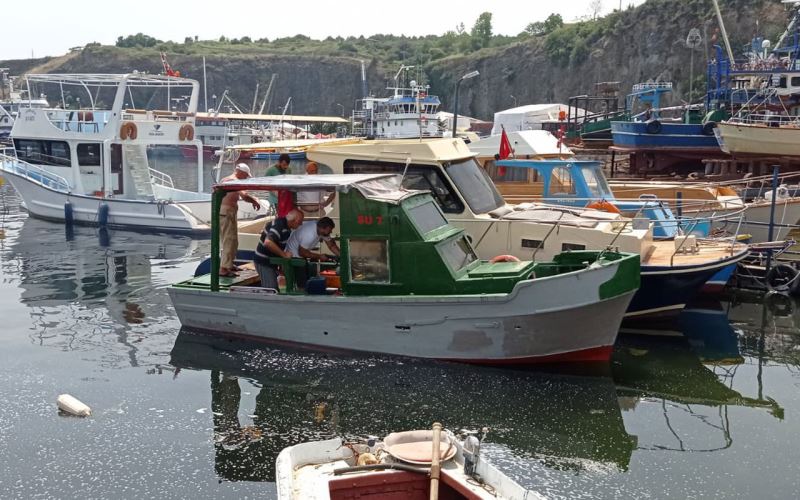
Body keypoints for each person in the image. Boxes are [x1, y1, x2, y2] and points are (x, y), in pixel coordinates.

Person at [219, 163, 261, 277]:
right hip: (226, 212)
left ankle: (229, 264)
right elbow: (244, 195)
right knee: (229, 239)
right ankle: (223, 268)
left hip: (229, 212)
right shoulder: (233, 180)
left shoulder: (228, 179)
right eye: (246, 175)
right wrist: (254, 201)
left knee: (233, 240)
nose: (246, 178)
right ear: (241, 172)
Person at [253, 209, 304, 291]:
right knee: (270, 290)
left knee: (273, 289)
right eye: (300, 222)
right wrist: (284, 255)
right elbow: (268, 242)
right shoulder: (279, 225)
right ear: (295, 221)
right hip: (264, 261)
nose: (301, 224)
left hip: (271, 262)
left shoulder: (286, 228)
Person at [285, 217, 340, 288]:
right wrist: (320, 256)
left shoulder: (321, 230)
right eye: (330, 230)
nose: (331, 232)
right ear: (323, 228)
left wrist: (341, 255)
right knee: (302, 283)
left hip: (300, 255)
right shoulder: (309, 234)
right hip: (294, 256)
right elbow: (302, 252)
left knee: (307, 279)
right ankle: (301, 294)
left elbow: (331, 245)